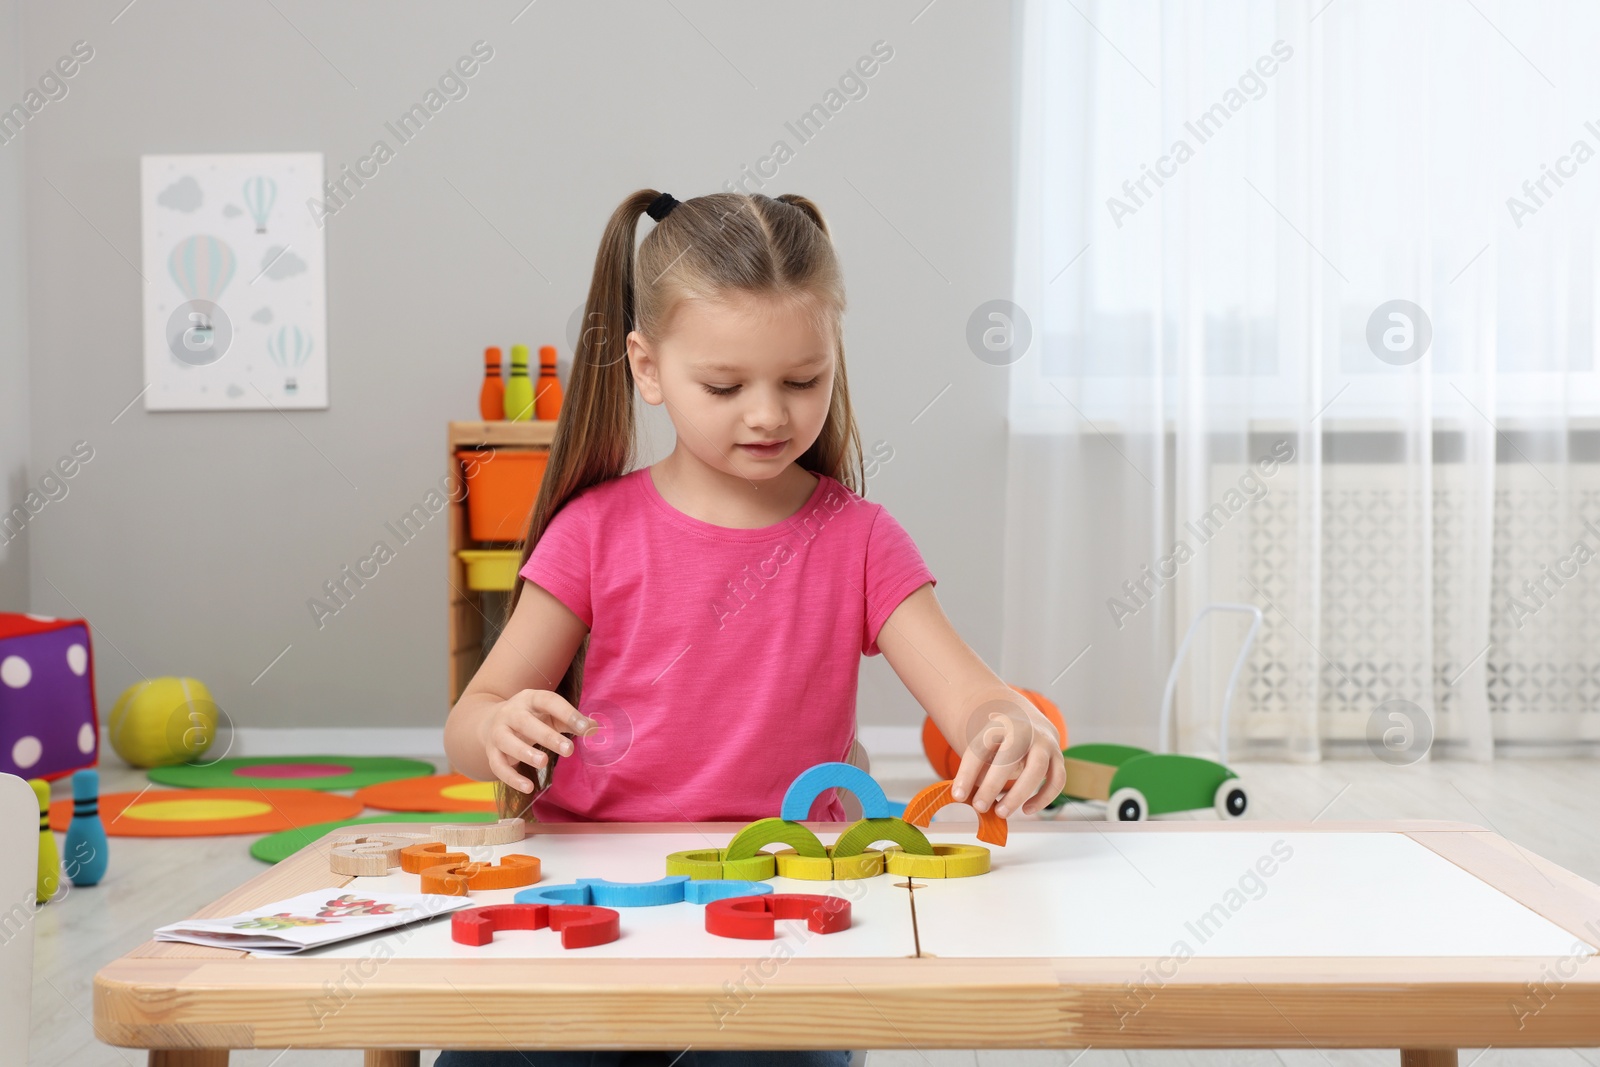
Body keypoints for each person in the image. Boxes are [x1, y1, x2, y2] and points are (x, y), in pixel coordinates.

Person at [439, 189, 1067, 1067]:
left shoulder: (858, 538)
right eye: (726, 386)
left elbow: (973, 700)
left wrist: (1014, 730)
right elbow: (474, 716)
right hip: (598, 897)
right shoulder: (592, 531)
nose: (769, 414)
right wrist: (498, 727)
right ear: (648, 368)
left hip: (787, 898)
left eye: (802, 380)